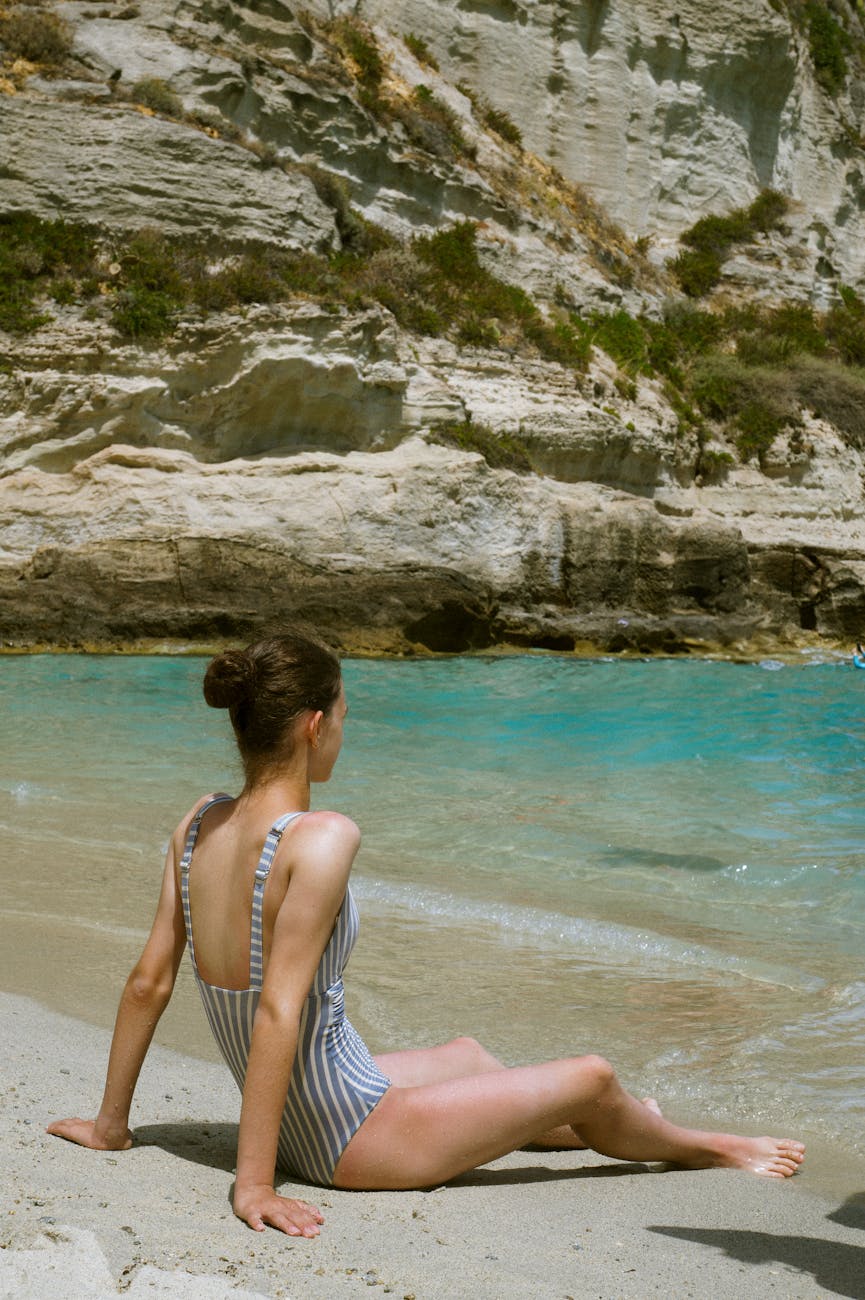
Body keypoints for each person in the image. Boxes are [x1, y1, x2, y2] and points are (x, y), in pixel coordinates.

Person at [48, 629, 805, 1238]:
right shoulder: (321, 836)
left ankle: (601, 1127)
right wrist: (254, 1185)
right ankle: (699, 1145)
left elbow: (149, 980)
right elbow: (279, 1010)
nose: (344, 731)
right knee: (593, 1075)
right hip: (343, 1138)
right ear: (315, 725)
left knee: (469, 1056)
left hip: (309, 1104)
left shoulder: (198, 822)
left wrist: (112, 1123)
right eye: (344, 717)